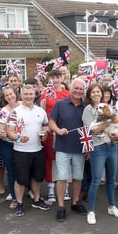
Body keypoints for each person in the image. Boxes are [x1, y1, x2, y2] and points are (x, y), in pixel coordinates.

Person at [82, 83, 118, 224]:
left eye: (98, 92)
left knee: (111, 180)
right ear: (89, 94)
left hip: (111, 146)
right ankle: (91, 211)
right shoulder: (88, 110)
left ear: (102, 93)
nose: (96, 94)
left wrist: (117, 135)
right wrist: (109, 122)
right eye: (93, 92)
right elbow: (92, 130)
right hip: (98, 148)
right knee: (95, 180)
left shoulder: (108, 107)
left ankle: (112, 206)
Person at [7, 84, 51, 216]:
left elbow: (47, 125)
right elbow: (9, 131)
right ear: (21, 95)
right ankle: (19, 203)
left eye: (30, 94)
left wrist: (46, 132)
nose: (28, 96)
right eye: (25, 94)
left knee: (38, 177)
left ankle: (37, 200)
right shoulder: (15, 112)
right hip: (21, 151)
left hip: (37, 149)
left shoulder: (40, 111)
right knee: (20, 179)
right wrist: (18, 138)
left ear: (34, 95)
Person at [49, 78, 88, 221]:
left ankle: (75, 202)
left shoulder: (87, 107)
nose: (78, 91)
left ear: (84, 91)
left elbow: (90, 128)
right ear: (70, 89)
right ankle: (60, 206)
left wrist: (88, 149)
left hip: (80, 148)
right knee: (62, 178)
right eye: (76, 88)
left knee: (78, 177)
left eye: (81, 89)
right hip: (63, 147)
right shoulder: (60, 104)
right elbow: (51, 122)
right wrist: (58, 130)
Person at [40, 69, 70, 202]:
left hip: (64, 131)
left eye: (58, 77)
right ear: (50, 78)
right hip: (51, 132)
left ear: (62, 78)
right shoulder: (46, 94)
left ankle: (66, 188)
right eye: (53, 77)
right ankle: (51, 188)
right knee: (50, 160)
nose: (56, 80)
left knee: (66, 160)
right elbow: (42, 113)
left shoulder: (67, 94)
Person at [0, 85, 21, 205]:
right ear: (4, 98)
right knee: (11, 171)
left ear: (15, 93)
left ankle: (29, 192)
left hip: (23, 143)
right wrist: (2, 132)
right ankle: (14, 197)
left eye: (11, 94)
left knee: (23, 169)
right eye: (7, 95)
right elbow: (2, 129)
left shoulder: (23, 106)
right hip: (7, 144)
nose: (9, 96)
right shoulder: (3, 111)